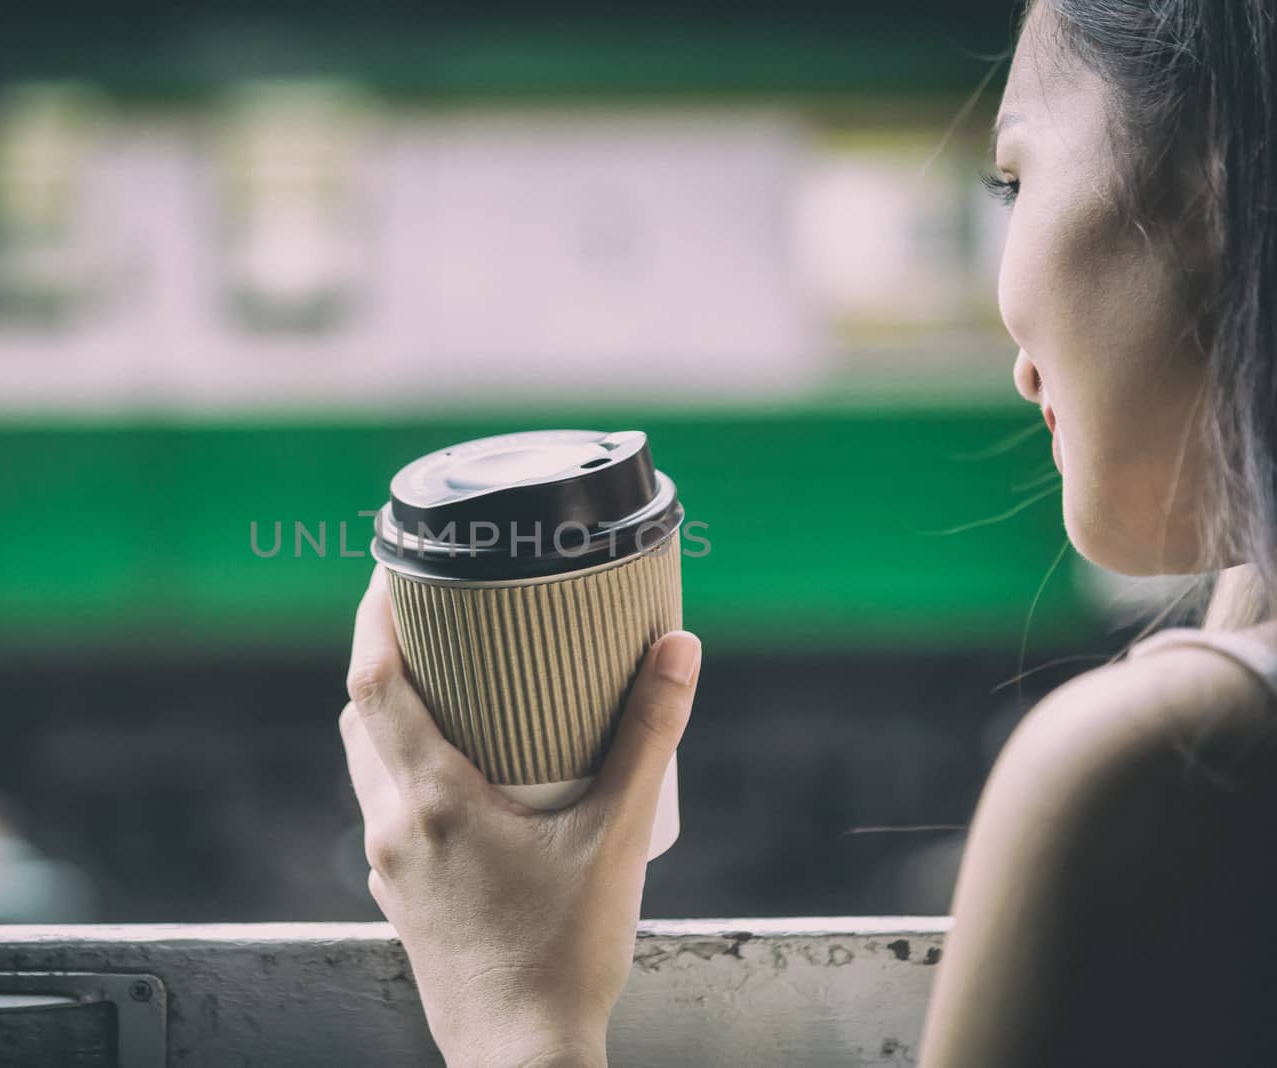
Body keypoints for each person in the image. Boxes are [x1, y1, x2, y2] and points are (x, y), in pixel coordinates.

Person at [336, 0, 1277, 1063]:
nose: (1013, 350)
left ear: (1218, 184)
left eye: (1010, 184)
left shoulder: (1167, 770)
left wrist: (517, 1019)